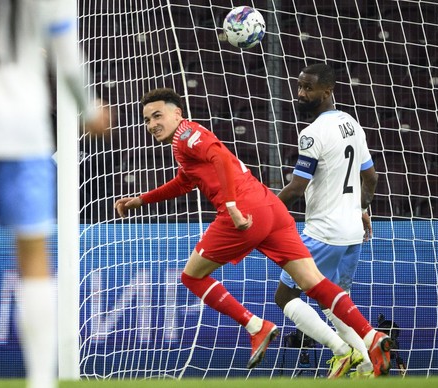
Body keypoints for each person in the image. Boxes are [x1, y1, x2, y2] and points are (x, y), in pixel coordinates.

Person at [114, 88, 391, 372]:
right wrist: (141, 200)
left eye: (157, 116)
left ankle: (255, 325)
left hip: (244, 213)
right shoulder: (183, 144)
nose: (151, 125)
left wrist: (232, 205)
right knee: (313, 282)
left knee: (191, 277)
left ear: (177, 113)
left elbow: (218, 158)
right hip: (272, 209)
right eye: (147, 120)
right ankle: (370, 337)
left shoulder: (187, 135)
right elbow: (185, 181)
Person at [0, 2, 110, 388]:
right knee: (33, 258)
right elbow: (66, 53)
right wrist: (89, 107)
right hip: (26, 130)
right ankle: (42, 381)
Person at [274, 63, 381, 379]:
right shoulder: (352, 124)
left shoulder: (312, 133)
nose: (301, 94)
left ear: (328, 91)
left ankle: (342, 351)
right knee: (334, 300)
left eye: (308, 88)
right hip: (351, 233)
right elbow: (371, 179)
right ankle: (367, 360)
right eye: (299, 86)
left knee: (286, 296)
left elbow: (297, 187)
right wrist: (359, 208)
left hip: (323, 232)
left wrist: (265, 212)